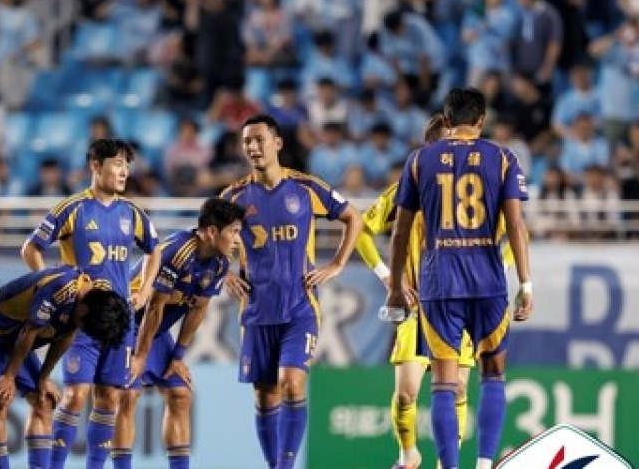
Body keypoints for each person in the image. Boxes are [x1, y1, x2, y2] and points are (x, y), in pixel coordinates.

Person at [385, 88, 533, 469]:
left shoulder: (419, 161)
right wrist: (526, 284)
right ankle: (483, 465)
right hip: (488, 281)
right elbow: (516, 224)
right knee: (493, 374)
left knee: (443, 384)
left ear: (447, 121)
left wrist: (395, 287)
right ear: (482, 121)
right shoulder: (503, 158)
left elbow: (400, 232)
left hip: (439, 283)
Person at [219, 114, 362, 469]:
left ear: (278, 143)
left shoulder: (306, 188)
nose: (253, 147)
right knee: (265, 395)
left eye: (259, 139)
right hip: (256, 311)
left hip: (300, 308)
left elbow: (354, 217)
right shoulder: (233, 196)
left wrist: (337, 264)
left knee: (291, 383)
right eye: (247, 142)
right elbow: (208, 242)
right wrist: (224, 273)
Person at [21, 139, 159, 469]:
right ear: (96, 166)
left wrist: (145, 291)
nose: (124, 172)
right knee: (75, 396)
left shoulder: (132, 213)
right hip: (81, 320)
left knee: (110, 397)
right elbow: (30, 248)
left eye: (127, 165)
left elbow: (155, 251)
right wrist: (52, 285)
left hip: (120, 321)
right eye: (117, 164)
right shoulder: (72, 209)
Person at [355, 115, 481, 469]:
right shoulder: (407, 188)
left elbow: (512, 232)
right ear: (428, 148)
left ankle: (446, 463)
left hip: (460, 306)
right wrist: (389, 278)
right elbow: (361, 230)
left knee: (457, 389)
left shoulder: (473, 190)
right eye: (444, 144)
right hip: (418, 307)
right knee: (406, 392)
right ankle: (408, 454)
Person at [113, 198, 245, 469]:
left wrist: (177, 357)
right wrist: (140, 357)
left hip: (154, 330)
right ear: (211, 232)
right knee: (128, 395)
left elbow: (199, 308)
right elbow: (153, 308)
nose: (237, 239)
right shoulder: (176, 252)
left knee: (180, 394)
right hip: (125, 324)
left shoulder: (220, 262)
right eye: (233, 231)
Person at [0, 266, 131, 469]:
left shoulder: (88, 302)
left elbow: (66, 336)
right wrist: (10, 376)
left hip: (12, 339)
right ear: (83, 309)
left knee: (44, 401)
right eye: (86, 326)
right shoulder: (61, 287)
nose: (83, 329)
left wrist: (44, 378)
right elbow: (29, 331)